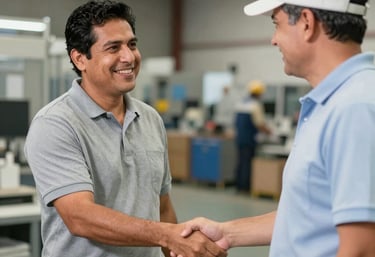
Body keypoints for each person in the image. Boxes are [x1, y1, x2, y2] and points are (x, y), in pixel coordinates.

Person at [24, 1, 227, 257]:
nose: (129, 57)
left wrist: (178, 246)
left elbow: (162, 206)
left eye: (132, 44)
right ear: (79, 58)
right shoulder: (55, 124)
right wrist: (167, 235)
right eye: (113, 48)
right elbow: (80, 217)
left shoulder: (150, 119)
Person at [175, 0, 375, 256]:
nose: (273, 40)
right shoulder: (332, 103)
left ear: (306, 23)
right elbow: (308, 214)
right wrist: (226, 232)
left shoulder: (355, 108)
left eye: (277, 25)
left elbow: (362, 249)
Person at [233, 80, 271, 193]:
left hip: (240, 138)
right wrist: (270, 133)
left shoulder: (240, 103)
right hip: (249, 139)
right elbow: (259, 124)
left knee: (240, 162)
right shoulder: (255, 105)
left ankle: (239, 185)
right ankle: (245, 187)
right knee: (247, 164)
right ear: (259, 93)